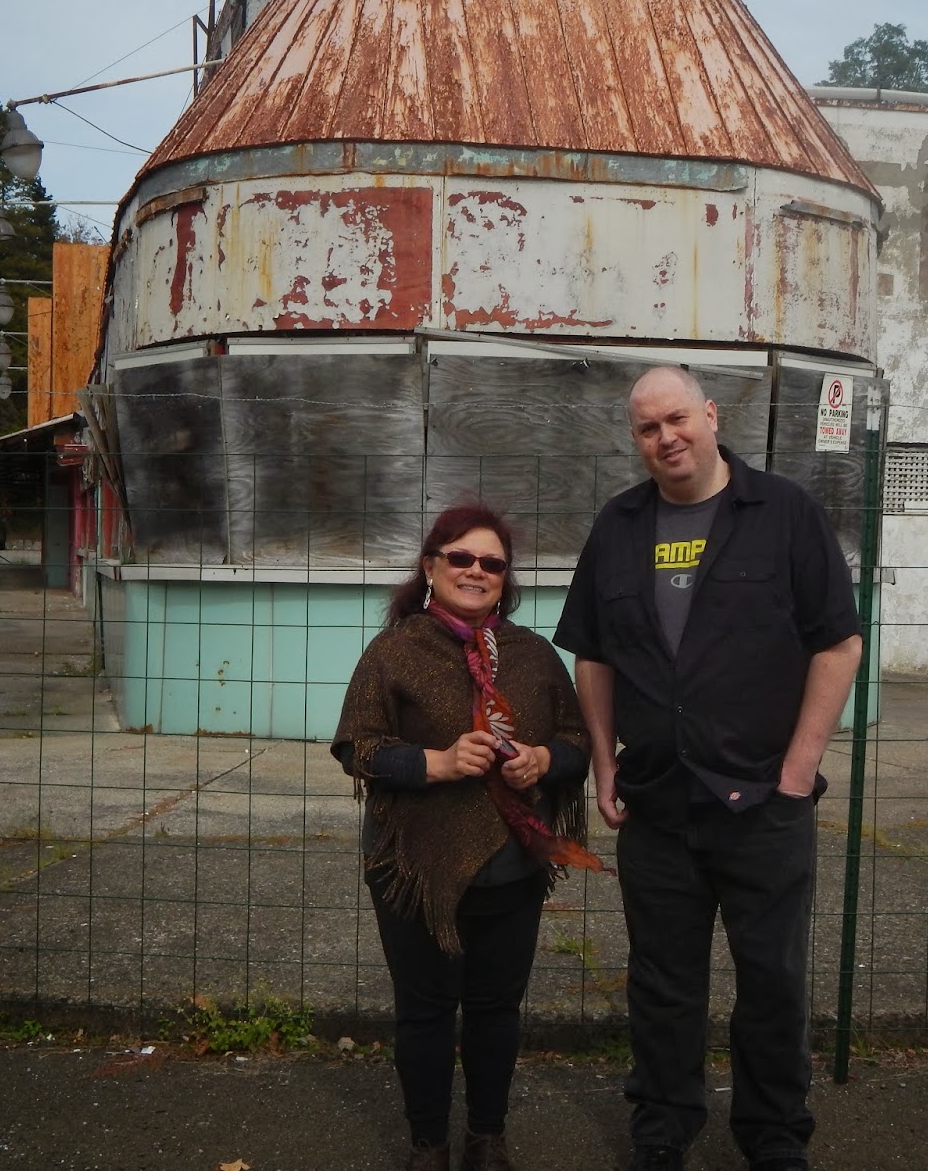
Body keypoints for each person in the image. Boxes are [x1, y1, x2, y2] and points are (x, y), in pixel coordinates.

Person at [553, 365, 863, 1171]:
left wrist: (799, 772)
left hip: (763, 802)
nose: (667, 438)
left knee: (773, 984)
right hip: (658, 806)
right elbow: (592, 653)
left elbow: (838, 641)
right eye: (649, 428)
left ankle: (773, 1136)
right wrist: (602, 765)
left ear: (711, 415)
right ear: (637, 440)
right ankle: (661, 1131)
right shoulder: (618, 527)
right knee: (662, 988)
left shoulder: (786, 513)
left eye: (678, 419)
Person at [332, 504, 596, 1171]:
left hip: (514, 867)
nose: (476, 571)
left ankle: (487, 1138)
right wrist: (437, 763)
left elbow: (578, 742)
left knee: (495, 1009)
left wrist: (542, 758)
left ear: (505, 579)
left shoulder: (535, 656)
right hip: (416, 865)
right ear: (431, 566)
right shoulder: (395, 650)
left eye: (492, 563)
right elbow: (357, 747)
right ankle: (429, 1145)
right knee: (423, 1014)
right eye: (461, 558)